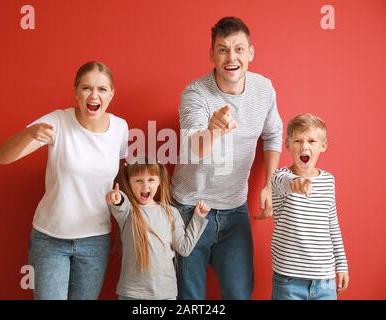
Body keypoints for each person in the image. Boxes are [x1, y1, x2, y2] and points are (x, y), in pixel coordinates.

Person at [0, 61, 128, 300]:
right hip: (51, 239)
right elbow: (2, 158)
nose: (94, 95)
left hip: (95, 241)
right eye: (86, 88)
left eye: (102, 89)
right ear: (75, 92)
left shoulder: (120, 127)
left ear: (112, 93)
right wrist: (29, 133)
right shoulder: (57, 121)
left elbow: (116, 175)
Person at [171, 16, 283, 299]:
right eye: (222, 49)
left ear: (251, 53)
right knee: (189, 298)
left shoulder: (264, 89)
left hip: (235, 210)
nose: (231, 57)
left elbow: (272, 135)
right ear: (212, 54)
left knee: (240, 293)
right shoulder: (195, 93)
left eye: (238, 49)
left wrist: (269, 184)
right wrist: (212, 130)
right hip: (189, 208)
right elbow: (191, 146)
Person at [106, 157, 209, 300]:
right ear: (129, 182)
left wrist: (198, 218)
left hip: (165, 294)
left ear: (159, 180)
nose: (145, 186)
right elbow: (119, 202)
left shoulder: (171, 212)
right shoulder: (128, 211)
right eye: (138, 180)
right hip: (131, 293)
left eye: (151, 180)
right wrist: (116, 198)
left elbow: (184, 248)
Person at [270, 113, 349, 300]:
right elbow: (286, 182)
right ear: (288, 145)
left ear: (323, 146)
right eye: (298, 140)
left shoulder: (329, 181)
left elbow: (332, 225)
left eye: (311, 141)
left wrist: (342, 265)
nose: (304, 146)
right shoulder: (279, 177)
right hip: (288, 281)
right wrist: (297, 184)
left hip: (325, 281)